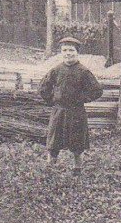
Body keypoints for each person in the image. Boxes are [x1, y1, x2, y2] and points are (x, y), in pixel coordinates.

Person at [38, 36, 104, 173]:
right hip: (59, 111)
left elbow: (97, 91)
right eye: (65, 50)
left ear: (77, 52)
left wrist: (82, 98)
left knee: (77, 142)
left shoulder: (83, 71)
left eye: (71, 50)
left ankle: (77, 169)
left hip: (77, 112)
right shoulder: (56, 70)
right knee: (54, 142)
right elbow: (43, 88)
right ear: (61, 52)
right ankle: (51, 168)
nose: (68, 53)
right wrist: (53, 100)